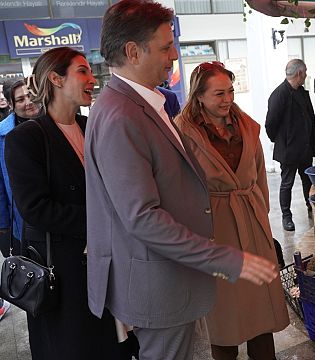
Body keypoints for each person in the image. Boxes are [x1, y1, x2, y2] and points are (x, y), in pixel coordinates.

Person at [85, 2, 278, 359]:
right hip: (156, 283)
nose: (174, 54)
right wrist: (223, 257)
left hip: (170, 274)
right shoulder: (120, 116)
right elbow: (141, 216)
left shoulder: (145, 104)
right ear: (132, 51)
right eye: (165, 46)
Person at [4, 46, 122, 360]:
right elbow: (36, 209)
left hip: (108, 264)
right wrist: (105, 220)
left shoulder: (91, 126)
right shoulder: (26, 138)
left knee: (113, 345)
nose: (92, 80)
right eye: (82, 71)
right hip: (64, 273)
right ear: (55, 79)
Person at [175, 61, 290, 360]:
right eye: (218, 94)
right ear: (198, 95)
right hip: (214, 227)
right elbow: (179, 186)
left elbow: (260, 175)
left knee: (260, 307)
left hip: (252, 220)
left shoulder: (247, 126)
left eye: (230, 91)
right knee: (224, 312)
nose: (227, 99)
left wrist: (262, 215)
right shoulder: (182, 132)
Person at [266, 59, 315, 232]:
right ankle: (286, 216)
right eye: (305, 72)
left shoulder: (302, 93)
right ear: (299, 74)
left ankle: (310, 207)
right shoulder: (280, 94)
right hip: (289, 148)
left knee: (307, 181)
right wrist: (282, 140)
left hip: (304, 146)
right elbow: (270, 124)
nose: (306, 75)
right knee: (287, 183)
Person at [0, 79, 41, 258]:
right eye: (20, 99)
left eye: (30, 96)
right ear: (10, 104)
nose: (28, 102)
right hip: (21, 220)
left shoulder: (55, 121)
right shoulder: (3, 135)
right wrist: (3, 224)